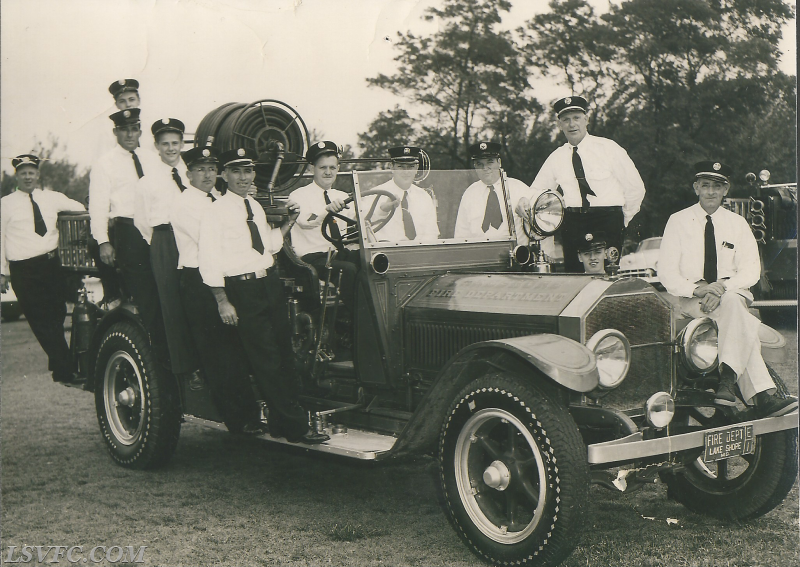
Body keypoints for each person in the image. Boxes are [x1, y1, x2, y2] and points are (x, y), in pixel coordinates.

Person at [198, 148, 329, 444]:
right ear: (224, 175)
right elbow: (208, 260)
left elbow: (267, 246)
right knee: (267, 359)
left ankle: (283, 423)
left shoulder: (254, 207)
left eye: (248, 171)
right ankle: (296, 428)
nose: (244, 177)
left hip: (268, 284)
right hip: (242, 290)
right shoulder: (215, 212)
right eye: (236, 171)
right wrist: (222, 300)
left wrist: (287, 224)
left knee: (284, 353)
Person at [658, 161, 797, 418]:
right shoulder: (677, 222)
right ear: (696, 188)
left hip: (731, 292)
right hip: (693, 298)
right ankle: (758, 394)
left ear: (726, 190)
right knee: (740, 319)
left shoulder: (738, 224)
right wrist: (700, 290)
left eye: (717, 186)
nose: (711, 192)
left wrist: (721, 287)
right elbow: (666, 272)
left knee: (733, 301)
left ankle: (728, 380)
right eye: (706, 185)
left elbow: (751, 272)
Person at [170, 146, 263, 433]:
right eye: (200, 169)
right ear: (188, 174)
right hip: (199, 280)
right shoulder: (185, 204)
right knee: (218, 353)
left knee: (237, 350)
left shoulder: (222, 200)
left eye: (211, 168)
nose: (207, 174)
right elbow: (213, 240)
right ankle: (237, 420)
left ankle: (250, 412)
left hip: (224, 277)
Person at [523, 96, 645, 271]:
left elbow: (635, 188)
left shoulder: (609, 148)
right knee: (574, 276)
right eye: (566, 120)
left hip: (607, 220)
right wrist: (524, 200)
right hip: (573, 224)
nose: (572, 124)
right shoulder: (556, 157)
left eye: (576, 118)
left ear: (586, 119)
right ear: (559, 125)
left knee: (608, 274)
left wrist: (621, 220)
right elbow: (536, 189)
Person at [88, 107, 169, 368]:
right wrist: (103, 241)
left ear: (140, 130)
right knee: (146, 295)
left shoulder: (152, 158)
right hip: (129, 231)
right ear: (116, 132)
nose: (130, 134)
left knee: (167, 287)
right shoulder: (105, 164)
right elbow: (98, 207)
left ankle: (173, 350)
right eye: (124, 129)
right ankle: (158, 357)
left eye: (134, 128)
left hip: (158, 228)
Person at [0, 155, 85, 383]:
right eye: (23, 173)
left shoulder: (52, 198)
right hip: (23, 269)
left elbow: (79, 208)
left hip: (50, 265)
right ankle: (66, 368)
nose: (28, 177)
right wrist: (2, 271)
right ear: (16, 176)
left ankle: (59, 366)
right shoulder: (5, 204)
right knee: (40, 320)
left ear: (38, 175)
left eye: (31, 172)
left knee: (56, 314)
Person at [134, 118, 202, 387]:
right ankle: (186, 369)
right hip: (165, 241)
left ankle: (206, 361)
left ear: (182, 144)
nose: (171, 149)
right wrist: (164, 243)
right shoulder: (147, 182)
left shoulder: (195, 174)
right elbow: (141, 223)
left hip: (196, 238)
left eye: (175, 143)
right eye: (165, 144)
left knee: (199, 297)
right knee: (172, 305)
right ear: (156, 147)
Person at [289, 141, 359, 306]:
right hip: (311, 258)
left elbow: (361, 217)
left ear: (338, 169)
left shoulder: (341, 195)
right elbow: (307, 221)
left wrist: (384, 209)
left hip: (336, 254)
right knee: (349, 270)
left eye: (332, 168)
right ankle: (348, 321)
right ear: (311, 169)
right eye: (322, 168)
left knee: (370, 261)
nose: (328, 172)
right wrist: (327, 210)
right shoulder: (298, 196)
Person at [454, 141, 550, 249]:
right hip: (480, 257)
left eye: (490, 162)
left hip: (515, 256)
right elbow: (461, 234)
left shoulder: (520, 188)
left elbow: (542, 223)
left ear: (499, 162)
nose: (485, 168)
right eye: (479, 164)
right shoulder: (469, 194)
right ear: (474, 166)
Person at [361, 146, 439, 241]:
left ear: (417, 168)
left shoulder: (424, 197)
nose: (406, 172)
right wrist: (382, 211)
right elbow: (365, 228)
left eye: (410, 167)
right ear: (391, 167)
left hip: (420, 252)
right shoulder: (375, 194)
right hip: (387, 252)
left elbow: (432, 232)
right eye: (401, 167)